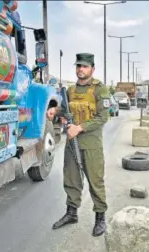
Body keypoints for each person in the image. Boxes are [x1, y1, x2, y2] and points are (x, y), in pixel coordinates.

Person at [46, 53, 110, 237]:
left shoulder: (100, 89)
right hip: (72, 142)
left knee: (95, 180)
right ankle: (71, 213)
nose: (80, 69)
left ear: (92, 69)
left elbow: (103, 117)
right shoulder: (71, 91)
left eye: (85, 66)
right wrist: (55, 111)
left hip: (91, 144)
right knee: (72, 178)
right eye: (78, 66)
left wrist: (80, 128)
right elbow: (66, 110)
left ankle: (100, 218)